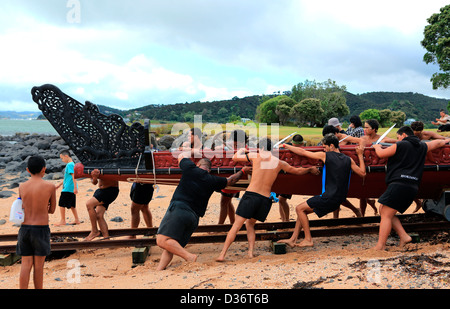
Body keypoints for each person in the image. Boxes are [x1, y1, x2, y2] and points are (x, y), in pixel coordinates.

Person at [216, 137, 320, 261]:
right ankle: (250, 253)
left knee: (236, 226)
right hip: (265, 199)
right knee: (250, 225)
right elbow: (297, 171)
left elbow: (234, 158)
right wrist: (309, 169)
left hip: (251, 195)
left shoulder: (255, 156)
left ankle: (222, 254)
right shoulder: (279, 162)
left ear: (262, 148)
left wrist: (242, 150)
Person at [156, 150, 249, 270]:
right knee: (172, 244)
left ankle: (189, 257)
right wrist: (242, 171)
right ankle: (159, 269)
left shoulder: (190, 168)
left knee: (161, 240)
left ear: (198, 165)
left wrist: (193, 151)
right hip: (194, 218)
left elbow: (181, 155)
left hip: (180, 209)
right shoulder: (213, 180)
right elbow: (231, 180)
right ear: (209, 170)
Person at [279, 134, 366, 248]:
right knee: (303, 211)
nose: (323, 149)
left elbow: (303, 152)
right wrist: (360, 155)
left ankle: (308, 239)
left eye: (325, 147)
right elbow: (363, 173)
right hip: (339, 199)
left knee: (299, 208)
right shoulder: (348, 159)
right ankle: (293, 239)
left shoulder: (326, 155)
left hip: (329, 197)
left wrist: (286, 145)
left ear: (331, 146)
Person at [372, 126, 448, 250]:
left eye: (398, 137)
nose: (398, 139)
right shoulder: (423, 146)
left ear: (403, 135)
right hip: (412, 186)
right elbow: (438, 142)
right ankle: (404, 236)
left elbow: (381, 154)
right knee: (384, 210)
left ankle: (380, 246)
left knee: (385, 214)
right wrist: (446, 140)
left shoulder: (401, 145)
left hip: (399, 183)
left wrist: (377, 146)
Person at [17, 156, 56, 289]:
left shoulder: (22, 186)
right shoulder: (50, 186)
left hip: (25, 229)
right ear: (44, 169)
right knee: (38, 267)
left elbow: (22, 206)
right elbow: (52, 210)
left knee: (25, 264)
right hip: (41, 229)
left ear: (27, 170)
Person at [218, 129, 248, 224]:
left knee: (224, 202)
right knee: (227, 201)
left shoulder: (246, 150)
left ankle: (219, 226)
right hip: (231, 175)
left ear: (243, 142)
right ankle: (232, 223)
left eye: (236, 144)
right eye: (234, 144)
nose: (234, 146)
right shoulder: (235, 148)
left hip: (237, 177)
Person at [84, 169, 119, 241]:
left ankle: (94, 231)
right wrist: (94, 177)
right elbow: (94, 182)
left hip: (110, 190)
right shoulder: (94, 166)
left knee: (89, 204)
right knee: (99, 215)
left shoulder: (107, 165)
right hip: (101, 191)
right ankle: (106, 239)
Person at [55, 150, 80, 226]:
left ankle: (63, 221)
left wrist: (75, 188)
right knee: (72, 205)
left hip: (68, 187)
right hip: (70, 187)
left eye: (62, 158)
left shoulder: (69, 165)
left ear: (66, 156)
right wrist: (59, 184)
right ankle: (77, 220)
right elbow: (67, 177)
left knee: (61, 204)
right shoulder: (72, 164)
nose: (62, 160)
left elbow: (73, 176)